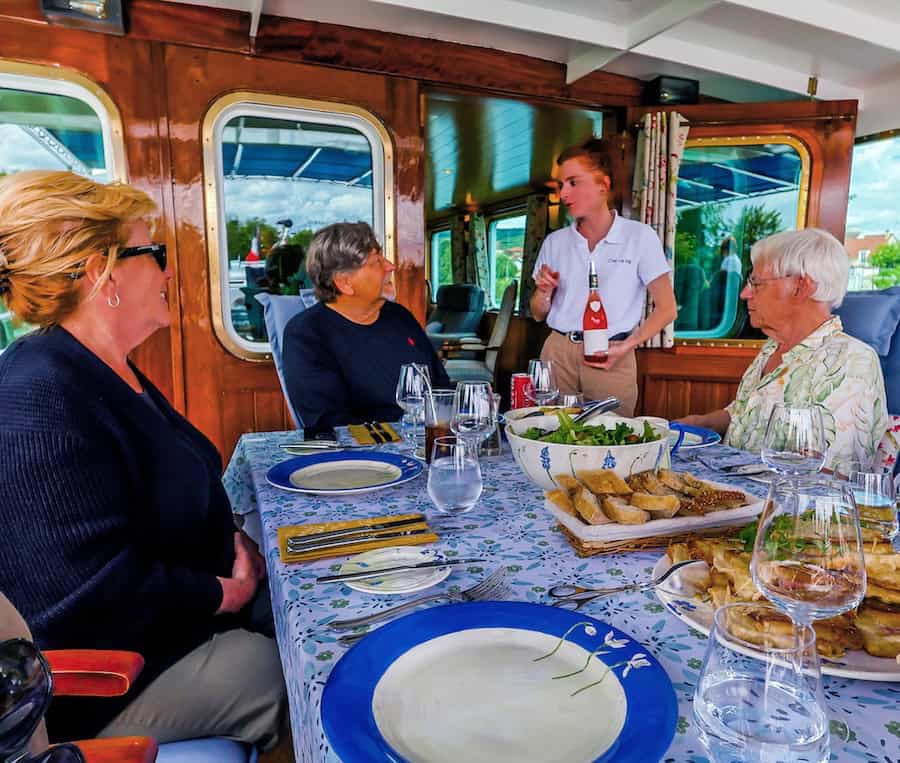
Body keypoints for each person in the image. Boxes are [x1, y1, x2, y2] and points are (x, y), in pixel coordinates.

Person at [0, 171, 285, 749]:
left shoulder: (107, 367)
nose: (168, 270)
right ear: (95, 270)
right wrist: (221, 592)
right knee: (306, 681)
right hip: (114, 673)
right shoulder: (35, 396)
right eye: (152, 251)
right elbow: (84, 594)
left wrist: (231, 539)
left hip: (179, 620)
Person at [678, 228, 888, 471]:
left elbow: (826, 477)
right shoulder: (772, 348)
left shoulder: (851, 362)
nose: (745, 294)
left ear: (801, 287)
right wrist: (699, 423)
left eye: (756, 283)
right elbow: (745, 415)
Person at [530, 137, 677, 416]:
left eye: (573, 182)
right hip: (558, 352)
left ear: (603, 185)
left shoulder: (639, 237)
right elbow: (537, 313)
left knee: (610, 441)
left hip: (611, 353)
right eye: (561, 185)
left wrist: (626, 346)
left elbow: (667, 309)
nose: (563, 195)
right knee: (552, 435)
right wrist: (543, 292)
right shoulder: (555, 242)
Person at [282, 221, 449, 434]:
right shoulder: (306, 334)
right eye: (376, 261)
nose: (390, 266)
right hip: (361, 458)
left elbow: (440, 387)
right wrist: (406, 430)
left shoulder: (399, 316)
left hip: (423, 440)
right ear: (345, 283)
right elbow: (330, 422)